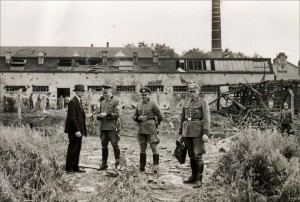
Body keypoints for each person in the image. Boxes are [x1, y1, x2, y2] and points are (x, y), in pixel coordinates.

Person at [178, 81, 210, 188]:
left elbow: (206, 118)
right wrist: (180, 133)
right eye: (190, 91)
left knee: (198, 155)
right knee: (191, 155)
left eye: (194, 91)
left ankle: (199, 180)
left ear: (198, 91)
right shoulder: (186, 102)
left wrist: (205, 133)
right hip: (187, 132)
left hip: (198, 132)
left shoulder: (202, 103)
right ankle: (193, 176)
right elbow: (182, 118)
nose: (192, 93)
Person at [133, 87, 164, 174]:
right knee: (142, 147)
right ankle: (142, 166)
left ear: (149, 95)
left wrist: (156, 124)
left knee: (153, 146)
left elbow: (160, 116)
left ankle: (156, 166)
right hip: (141, 129)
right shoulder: (139, 104)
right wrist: (138, 118)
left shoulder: (153, 103)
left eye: (145, 95)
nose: (144, 96)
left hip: (151, 128)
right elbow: (134, 116)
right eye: (142, 95)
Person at [97, 85, 121, 170]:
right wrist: (98, 116)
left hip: (112, 127)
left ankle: (117, 163)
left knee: (115, 145)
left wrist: (107, 115)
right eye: (103, 92)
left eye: (105, 92)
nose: (104, 94)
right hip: (103, 127)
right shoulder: (102, 102)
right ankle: (104, 164)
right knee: (104, 146)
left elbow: (117, 114)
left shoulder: (115, 101)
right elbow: (100, 114)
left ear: (110, 91)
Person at [64, 84, 87, 173]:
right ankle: (69, 168)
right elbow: (72, 118)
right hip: (74, 131)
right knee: (72, 149)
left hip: (79, 130)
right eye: (82, 91)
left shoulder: (79, 101)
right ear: (77, 92)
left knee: (77, 149)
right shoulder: (72, 102)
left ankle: (75, 167)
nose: (83, 93)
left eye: (83, 91)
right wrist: (77, 130)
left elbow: (80, 117)